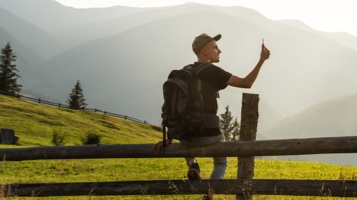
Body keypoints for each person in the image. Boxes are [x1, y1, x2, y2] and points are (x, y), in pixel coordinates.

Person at [155, 32, 270, 188]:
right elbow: (246, 83)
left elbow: (174, 107)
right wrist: (261, 60)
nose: (219, 51)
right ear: (205, 51)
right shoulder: (211, 71)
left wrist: (169, 137)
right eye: (215, 47)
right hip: (208, 136)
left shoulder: (185, 72)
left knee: (188, 145)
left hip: (185, 135)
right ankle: (210, 194)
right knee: (221, 162)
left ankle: (192, 163)